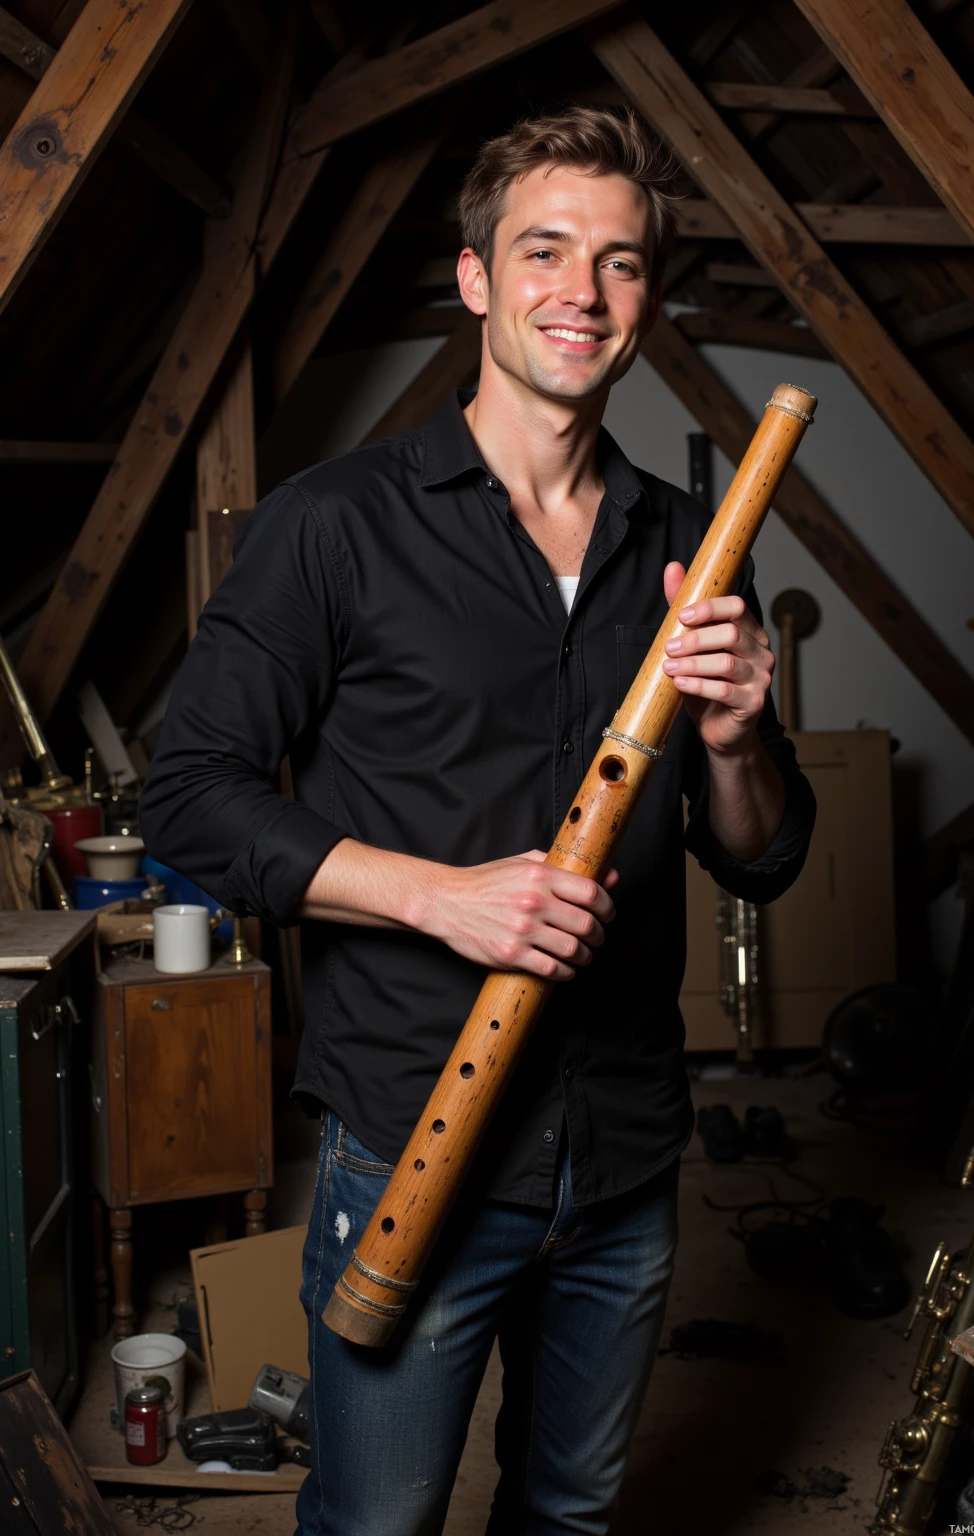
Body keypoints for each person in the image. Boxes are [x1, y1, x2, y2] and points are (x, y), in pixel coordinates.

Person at [140, 106, 815, 1536]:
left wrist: (743, 736)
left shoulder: (678, 549)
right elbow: (185, 795)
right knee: (380, 1522)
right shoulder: (335, 525)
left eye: (621, 263)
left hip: (626, 1147)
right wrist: (438, 896)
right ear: (474, 278)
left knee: (568, 1512)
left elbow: (763, 851)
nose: (582, 292)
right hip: (415, 1137)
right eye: (546, 251)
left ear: (646, 299)